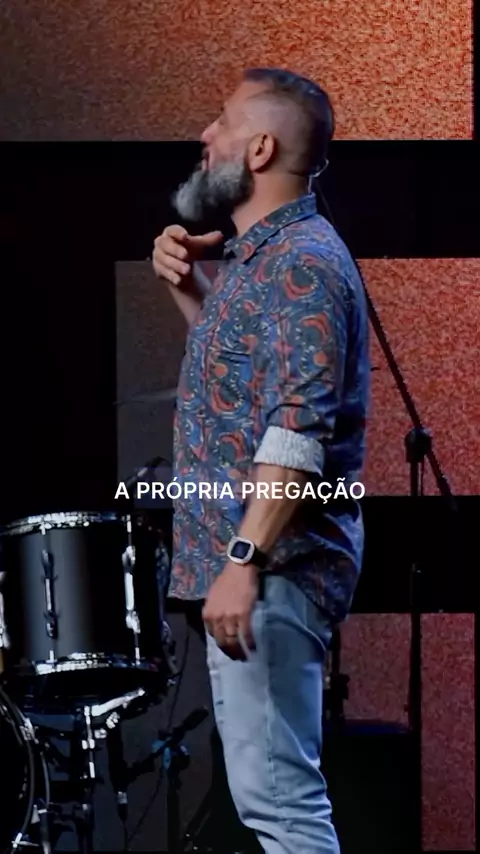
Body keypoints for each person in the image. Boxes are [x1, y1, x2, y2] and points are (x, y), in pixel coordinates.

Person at [152, 68, 370, 854]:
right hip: (258, 570)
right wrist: (192, 289)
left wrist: (243, 561)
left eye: (222, 121)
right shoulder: (263, 260)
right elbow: (248, 387)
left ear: (261, 149)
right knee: (269, 804)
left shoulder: (301, 264)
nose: (205, 135)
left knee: (283, 810)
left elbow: (296, 434)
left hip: (275, 570)